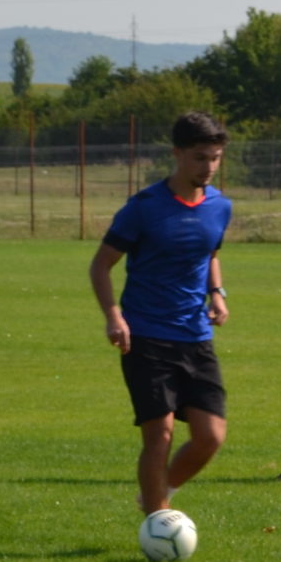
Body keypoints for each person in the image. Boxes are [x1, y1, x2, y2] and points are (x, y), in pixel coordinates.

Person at [90, 111, 232, 517]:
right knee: (160, 434)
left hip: (196, 335)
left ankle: (157, 492)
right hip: (146, 336)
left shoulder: (220, 206)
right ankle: (157, 520)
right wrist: (114, 316)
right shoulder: (143, 207)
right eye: (200, 157)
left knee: (211, 436)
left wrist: (217, 293)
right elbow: (101, 265)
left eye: (215, 158)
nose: (209, 167)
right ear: (177, 154)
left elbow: (209, 253)